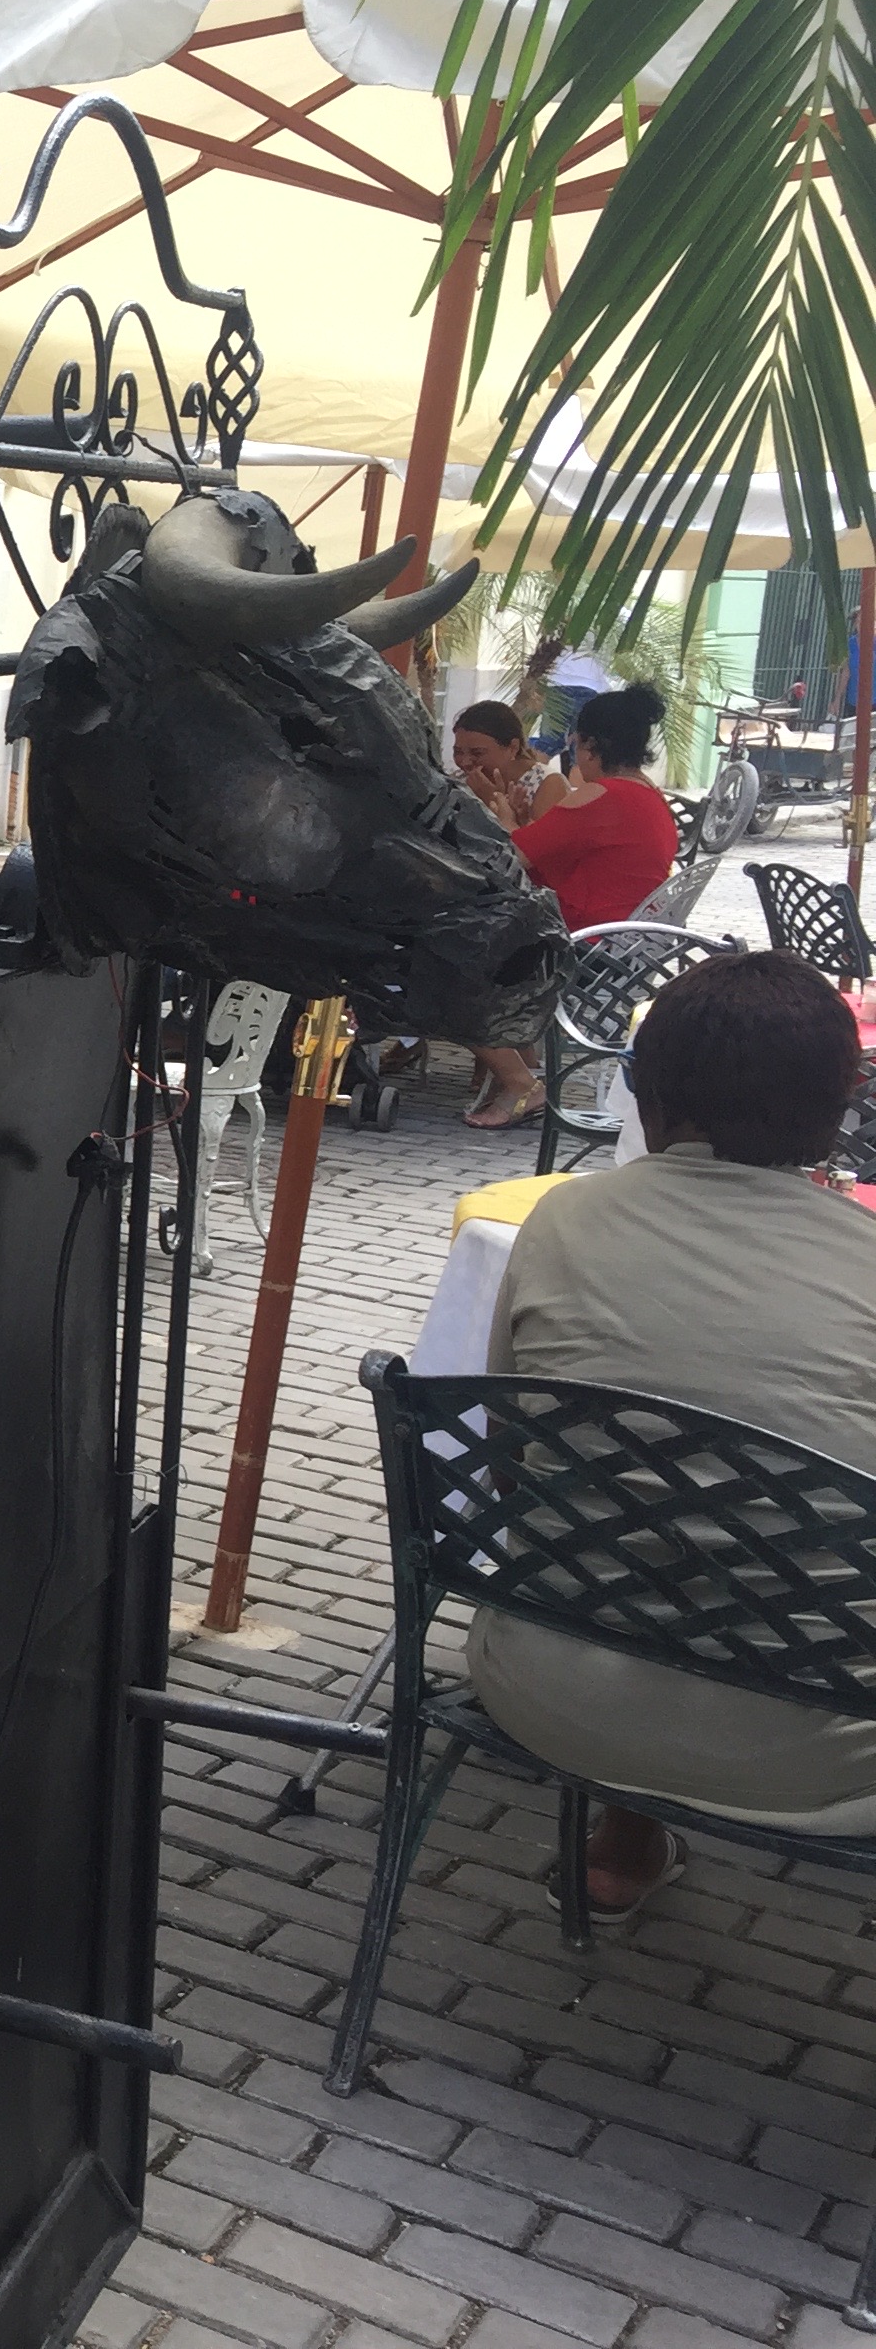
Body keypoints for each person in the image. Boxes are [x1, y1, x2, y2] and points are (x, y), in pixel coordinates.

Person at [463, 952, 876, 1917]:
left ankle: (625, 1837)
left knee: (635, 1530)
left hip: (549, 1693)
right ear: (840, 1111)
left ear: (646, 1100)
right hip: (821, 1748)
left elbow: (510, 1462)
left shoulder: (560, 1222)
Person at [464, 685, 681, 1129]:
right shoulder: (650, 796)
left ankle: (522, 1084)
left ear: (589, 745)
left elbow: (510, 857)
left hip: (583, 948)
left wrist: (501, 815)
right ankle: (525, 1070)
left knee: (450, 968)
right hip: (627, 951)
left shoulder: (597, 796)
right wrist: (516, 822)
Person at [452, 698, 561, 833]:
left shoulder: (548, 784)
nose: (465, 762)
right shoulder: (459, 782)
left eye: (477, 753)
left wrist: (493, 801)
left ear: (513, 748)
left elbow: (544, 843)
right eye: (458, 752)